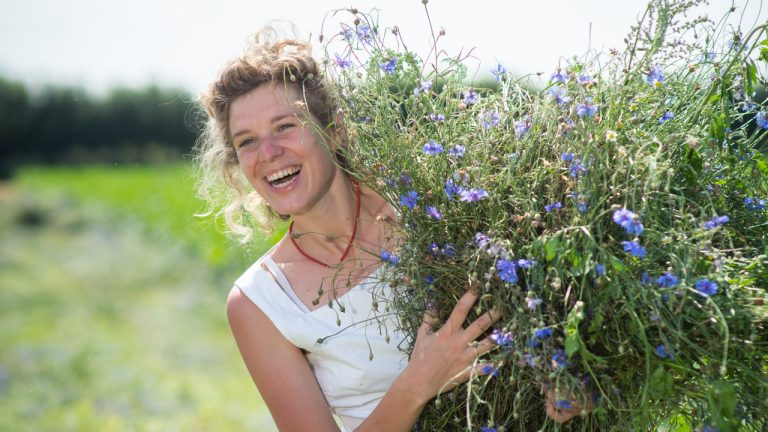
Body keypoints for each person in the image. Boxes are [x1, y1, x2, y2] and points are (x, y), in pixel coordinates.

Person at [196, 29, 582, 431]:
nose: (269, 153)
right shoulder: (260, 301)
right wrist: (419, 383)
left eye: (284, 127)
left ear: (334, 129)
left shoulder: (431, 209)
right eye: (247, 142)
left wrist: (563, 382)